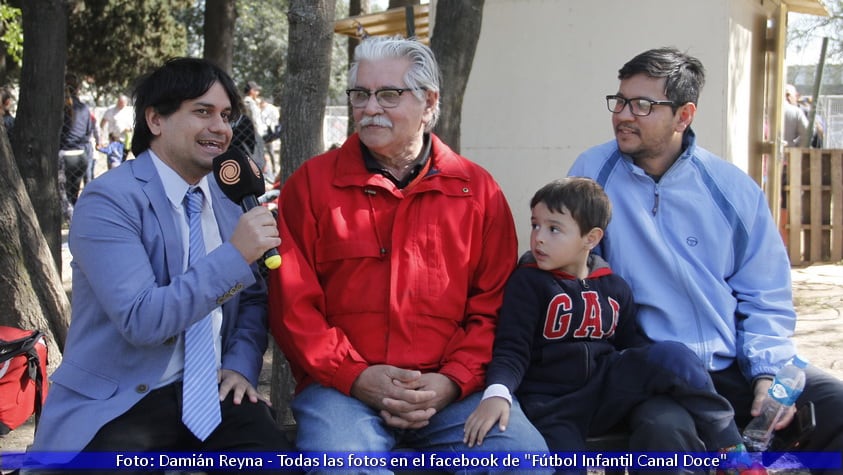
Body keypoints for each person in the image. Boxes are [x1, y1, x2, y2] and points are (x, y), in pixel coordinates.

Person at [267, 35, 550, 472]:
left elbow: (493, 308)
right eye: (360, 94)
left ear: (429, 101)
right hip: (342, 392)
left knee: (524, 461)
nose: (370, 107)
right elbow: (293, 305)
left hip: (452, 393)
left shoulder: (477, 192)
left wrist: (452, 382)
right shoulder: (311, 185)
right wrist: (355, 376)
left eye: (388, 94)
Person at [568, 47, 843, 473]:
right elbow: (575, 278)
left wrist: (767, 375)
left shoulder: (731, 189)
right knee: (665, 435)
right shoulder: (592, 175)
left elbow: (766, 295)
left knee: (835, 405)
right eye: (620, 101)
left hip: (731, 363)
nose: (623, 114)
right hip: (653, 372)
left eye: (642, 105)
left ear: (684, 115)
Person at [26, 57, 294, 475]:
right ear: (155, 119)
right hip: (120, 402)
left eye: (225, 115)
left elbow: (254, 297)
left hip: (212, 393)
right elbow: (143, 319)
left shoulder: (229, 199)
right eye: (202, 112)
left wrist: (240, 366)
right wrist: (235, 254)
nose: (220, 128)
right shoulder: (108, 200)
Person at [464, 178, 753, 474]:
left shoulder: (615, 287)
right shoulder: (526, 283)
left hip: (607, 389)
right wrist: (497, 393)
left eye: (554, 229)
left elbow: (631, 345)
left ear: (590, 238)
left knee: (673, 356)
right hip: (552, 405)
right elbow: (512, 349)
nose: (538, 238)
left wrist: (656, 376)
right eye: (535, 225)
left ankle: (729, 446)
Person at [59, 74, 95, 224]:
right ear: (78, 89)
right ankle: (75, 218)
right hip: (80, 155)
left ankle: (69, 216)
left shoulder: (60, 108)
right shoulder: (84, 108)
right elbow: (88, 131)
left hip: (63, 155)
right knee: (74, 191)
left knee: (62, 193)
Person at [100, 93, 134, 161]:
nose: (120, 104)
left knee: (123, 161)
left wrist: (129, 129)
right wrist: (102, 136)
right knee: (113, 161)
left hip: (125, 140)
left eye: (122, 103)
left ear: (126, 103)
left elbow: (133, 125)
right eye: (119, 102)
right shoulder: (111, 110)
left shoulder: (129, 111)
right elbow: (102, 123)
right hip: (114, 140)